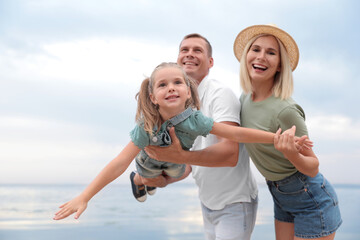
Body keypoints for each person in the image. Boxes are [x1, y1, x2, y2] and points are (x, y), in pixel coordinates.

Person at [53, 62, 281, 221]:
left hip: (175, 163)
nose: (170, 87)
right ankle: (140, 180)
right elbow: (120, 162)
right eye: (162, 85)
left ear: (188, 92)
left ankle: (150, 182)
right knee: (154, 179)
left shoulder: (195, 120)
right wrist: (85, 196)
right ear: (153, 97)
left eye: (177, 82)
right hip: (149, 162)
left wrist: (275, 138)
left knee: (181, 171)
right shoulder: (147, 124)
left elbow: (237, 134)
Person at [143, 34, 260, 240]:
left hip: (234, 203)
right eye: (184, 50)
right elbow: (191, 163)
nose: (189, 54)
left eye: (197, 50)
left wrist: (179, 157)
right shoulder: (182, 104)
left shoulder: (219, 94)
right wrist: (167, 180)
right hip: (207, 203)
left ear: (210, 62)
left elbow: (229, 154)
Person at [233, 24, 342, 239]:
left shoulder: (285, 110)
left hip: (311, 199)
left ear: (280, 65)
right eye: (256, 49)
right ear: (247, 55)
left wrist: (291, 152)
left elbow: (313, 167)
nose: (261, 56)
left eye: (271, 53)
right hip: (280, 195)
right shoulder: (244, 99)